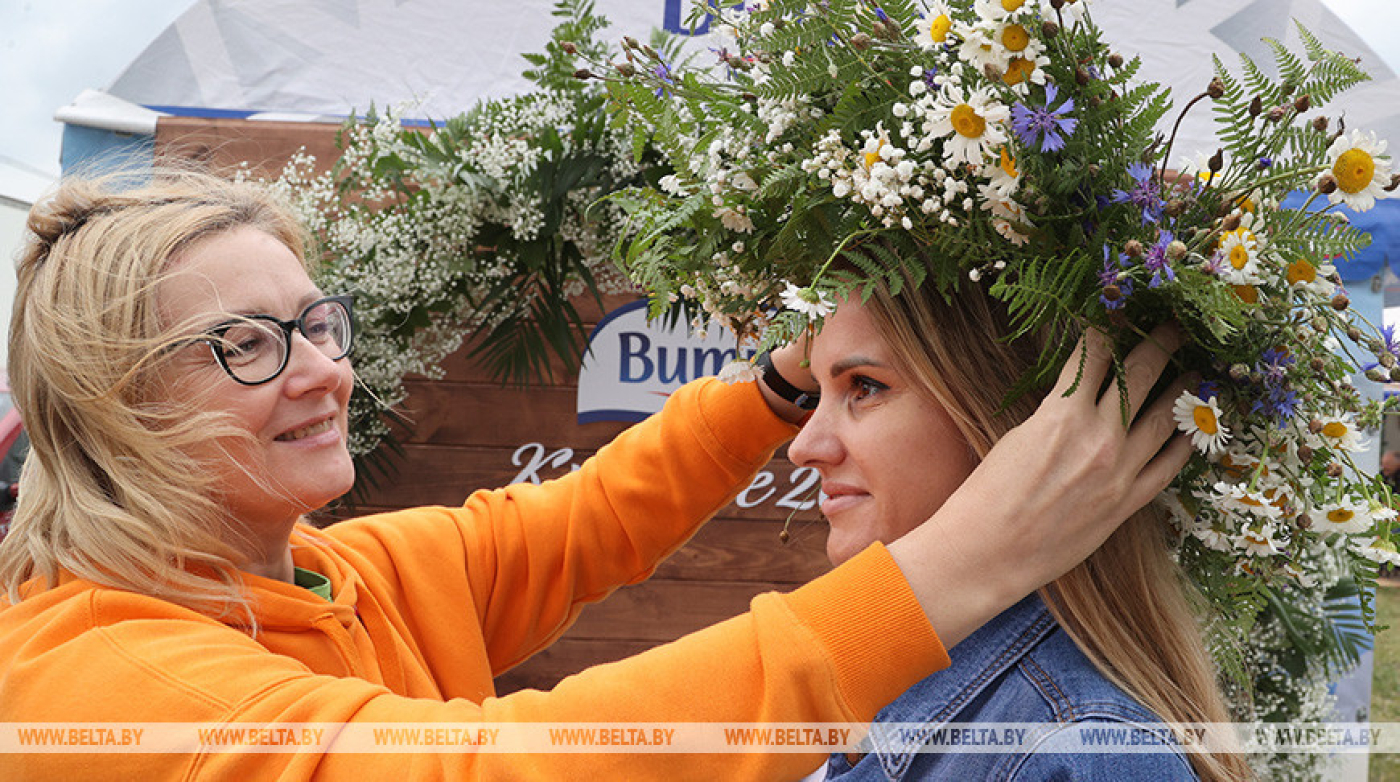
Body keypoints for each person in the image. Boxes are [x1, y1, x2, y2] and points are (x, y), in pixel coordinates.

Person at [0, 169, 1188, 780]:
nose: (321, 372)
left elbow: (590, 518)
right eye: (246, 344)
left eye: (318, 323)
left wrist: (782, 380)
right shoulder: (100, 679)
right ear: (119, 409)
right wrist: (957, 564)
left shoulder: (336, 572)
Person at [787, 279, 1251, 781]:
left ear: (1010, 419)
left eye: (864, 386)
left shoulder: (1079, 751)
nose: (803, 445)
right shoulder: (873, 688)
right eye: (815, 394)